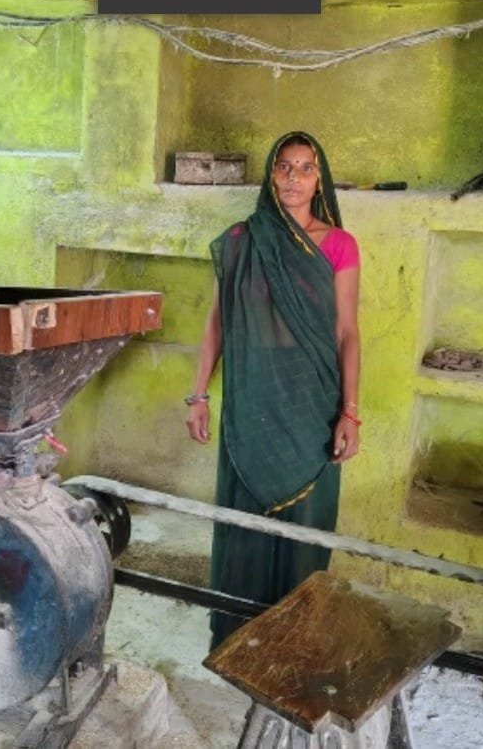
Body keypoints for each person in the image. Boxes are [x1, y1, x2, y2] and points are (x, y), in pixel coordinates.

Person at [185, 131, 361, 648]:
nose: (293, 178)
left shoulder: (339, 244)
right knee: (244, 516)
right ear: (271, 174)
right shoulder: (243, 239)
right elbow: (218, 322)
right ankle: (238, 637)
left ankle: (295, 639)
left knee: (306, 521)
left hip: (312, 399)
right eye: (284, 166)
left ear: (319, 179)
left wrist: (350, 412)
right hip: (253, 395)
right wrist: (199, 394)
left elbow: (347, 332)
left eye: (306, 168)